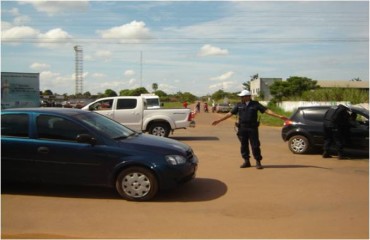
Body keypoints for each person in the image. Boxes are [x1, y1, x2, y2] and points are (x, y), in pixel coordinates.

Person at [212, 90, 288, 169]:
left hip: (252, 128)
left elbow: (266, 110)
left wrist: (278, 116)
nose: (241, 98)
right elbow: (230, 114)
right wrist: (219, 120)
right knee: (243, 145)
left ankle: (258, 162)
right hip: (242, 128)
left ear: (248, 96)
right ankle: (246, 161)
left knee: (255, 145)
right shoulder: (239, 105)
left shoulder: (255, 104)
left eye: (242, 96)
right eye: (241, 96)